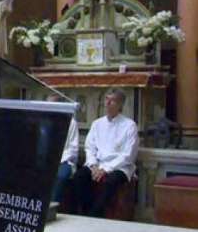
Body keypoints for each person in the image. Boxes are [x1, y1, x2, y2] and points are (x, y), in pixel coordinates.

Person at [72, 88, 138, 217]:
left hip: (119, 167)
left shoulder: (130, 126)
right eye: (106, 99)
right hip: (98, 164)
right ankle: (86, 211)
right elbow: (90, 147)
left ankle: (94, 215)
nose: (107, 103)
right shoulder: (97, 124)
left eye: (112, 101)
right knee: (80, 176)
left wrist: (106, 169)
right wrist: (93, 165)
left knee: (110, 181)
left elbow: (128, 155)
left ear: (120, 105)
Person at [47, 94, 79, 203]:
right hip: (46, 160)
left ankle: (51, 207)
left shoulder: (71, 122)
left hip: (64, 161)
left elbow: (73, 149)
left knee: (60, 177)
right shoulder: (44, 121)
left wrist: (57, 159)